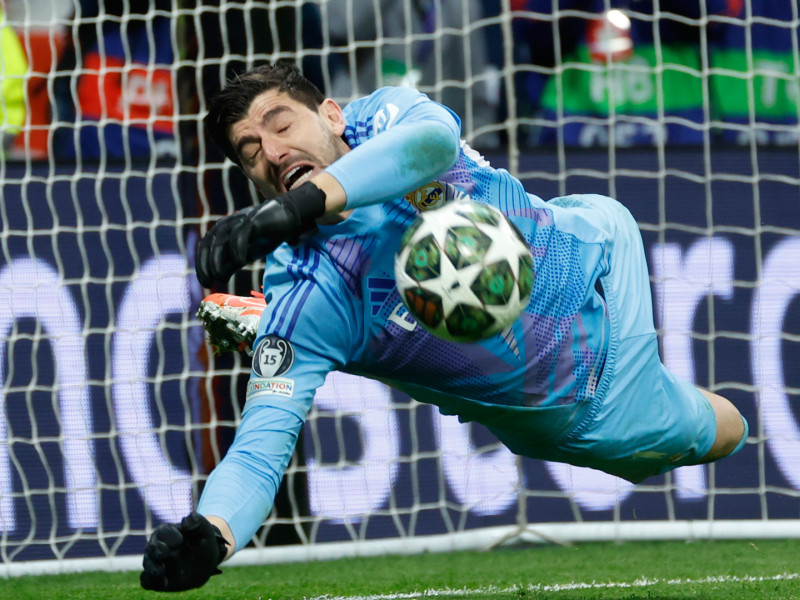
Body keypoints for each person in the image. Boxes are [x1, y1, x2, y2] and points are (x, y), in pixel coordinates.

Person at [140, 61, 748, 592]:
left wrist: (292, 208)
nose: (271, 153)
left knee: (591, 212)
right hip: (590, 402)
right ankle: (319, 340)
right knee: (728, 429)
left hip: (598, 239)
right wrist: (212, 537)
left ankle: (351, 335)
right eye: (251, 153)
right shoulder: (306, 291)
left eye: (281, 124)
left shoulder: (383, 116)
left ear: (331, 114)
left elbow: (433, 143)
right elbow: (257, 454)